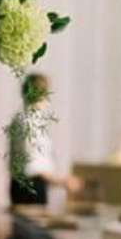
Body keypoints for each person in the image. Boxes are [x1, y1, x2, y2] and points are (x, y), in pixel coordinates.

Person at [9, 74, 82, 205]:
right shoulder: (30, 121)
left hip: (22, 185)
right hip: (31, 188)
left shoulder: (21, 118)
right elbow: (34, 165)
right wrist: (63, 181)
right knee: (31, 225)